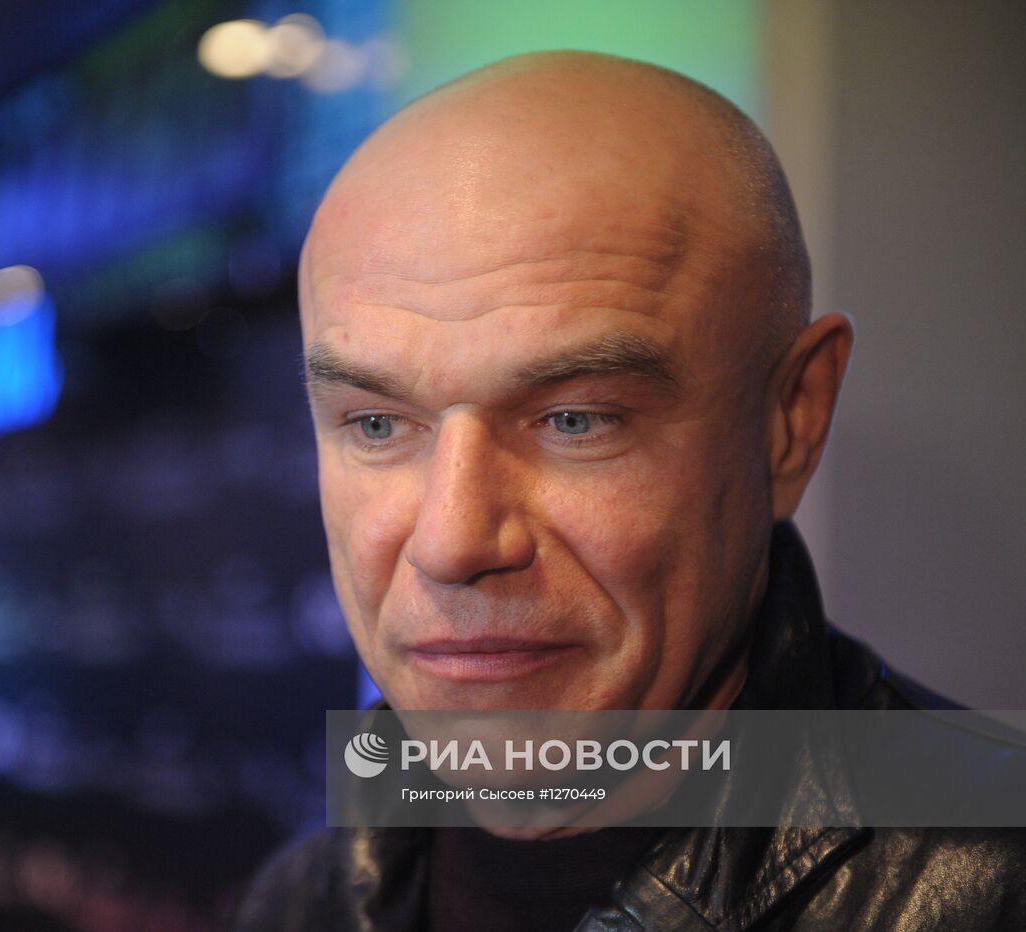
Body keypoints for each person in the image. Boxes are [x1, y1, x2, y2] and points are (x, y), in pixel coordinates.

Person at [234, 51, 1026, 930]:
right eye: (378, 425)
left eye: (576, 420)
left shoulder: (993, 887)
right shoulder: (301, 901)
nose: (451, 543)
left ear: (790, 419)